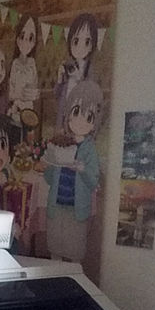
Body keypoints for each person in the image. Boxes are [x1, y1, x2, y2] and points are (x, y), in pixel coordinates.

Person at [43, 79, 103, 262]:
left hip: (77, 209)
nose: (80, 121)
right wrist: (50, 163)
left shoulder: (89, 149)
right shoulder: (61, 143)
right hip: (57, 205)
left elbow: (93, 181)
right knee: (55, 245)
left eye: (88, 117)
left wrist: (82, 169)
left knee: (75, 249)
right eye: (76, 112)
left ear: (94, 122)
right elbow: (49, 179)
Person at [54, 13, 99, 113]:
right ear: (70, 42)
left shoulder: (89, 68)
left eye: (87, 42)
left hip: (79, 113)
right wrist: (59, 79)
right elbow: (56, 94)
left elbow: (91, 93)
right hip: (64, 111)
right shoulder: (68, 65)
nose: (80, 47)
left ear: (92, 46)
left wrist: (79, 78)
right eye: (76, 41)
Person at [7, 14, 41, 124]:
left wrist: (35, 94)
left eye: (30, 38)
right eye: (22, 37)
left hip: (29, 109)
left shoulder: (32, 63)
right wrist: (20, 95)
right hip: (16, 108)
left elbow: (35, 86)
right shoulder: (15, 63)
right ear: (17, 40)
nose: (26, 42)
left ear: (34, 42)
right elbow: (10, 93)